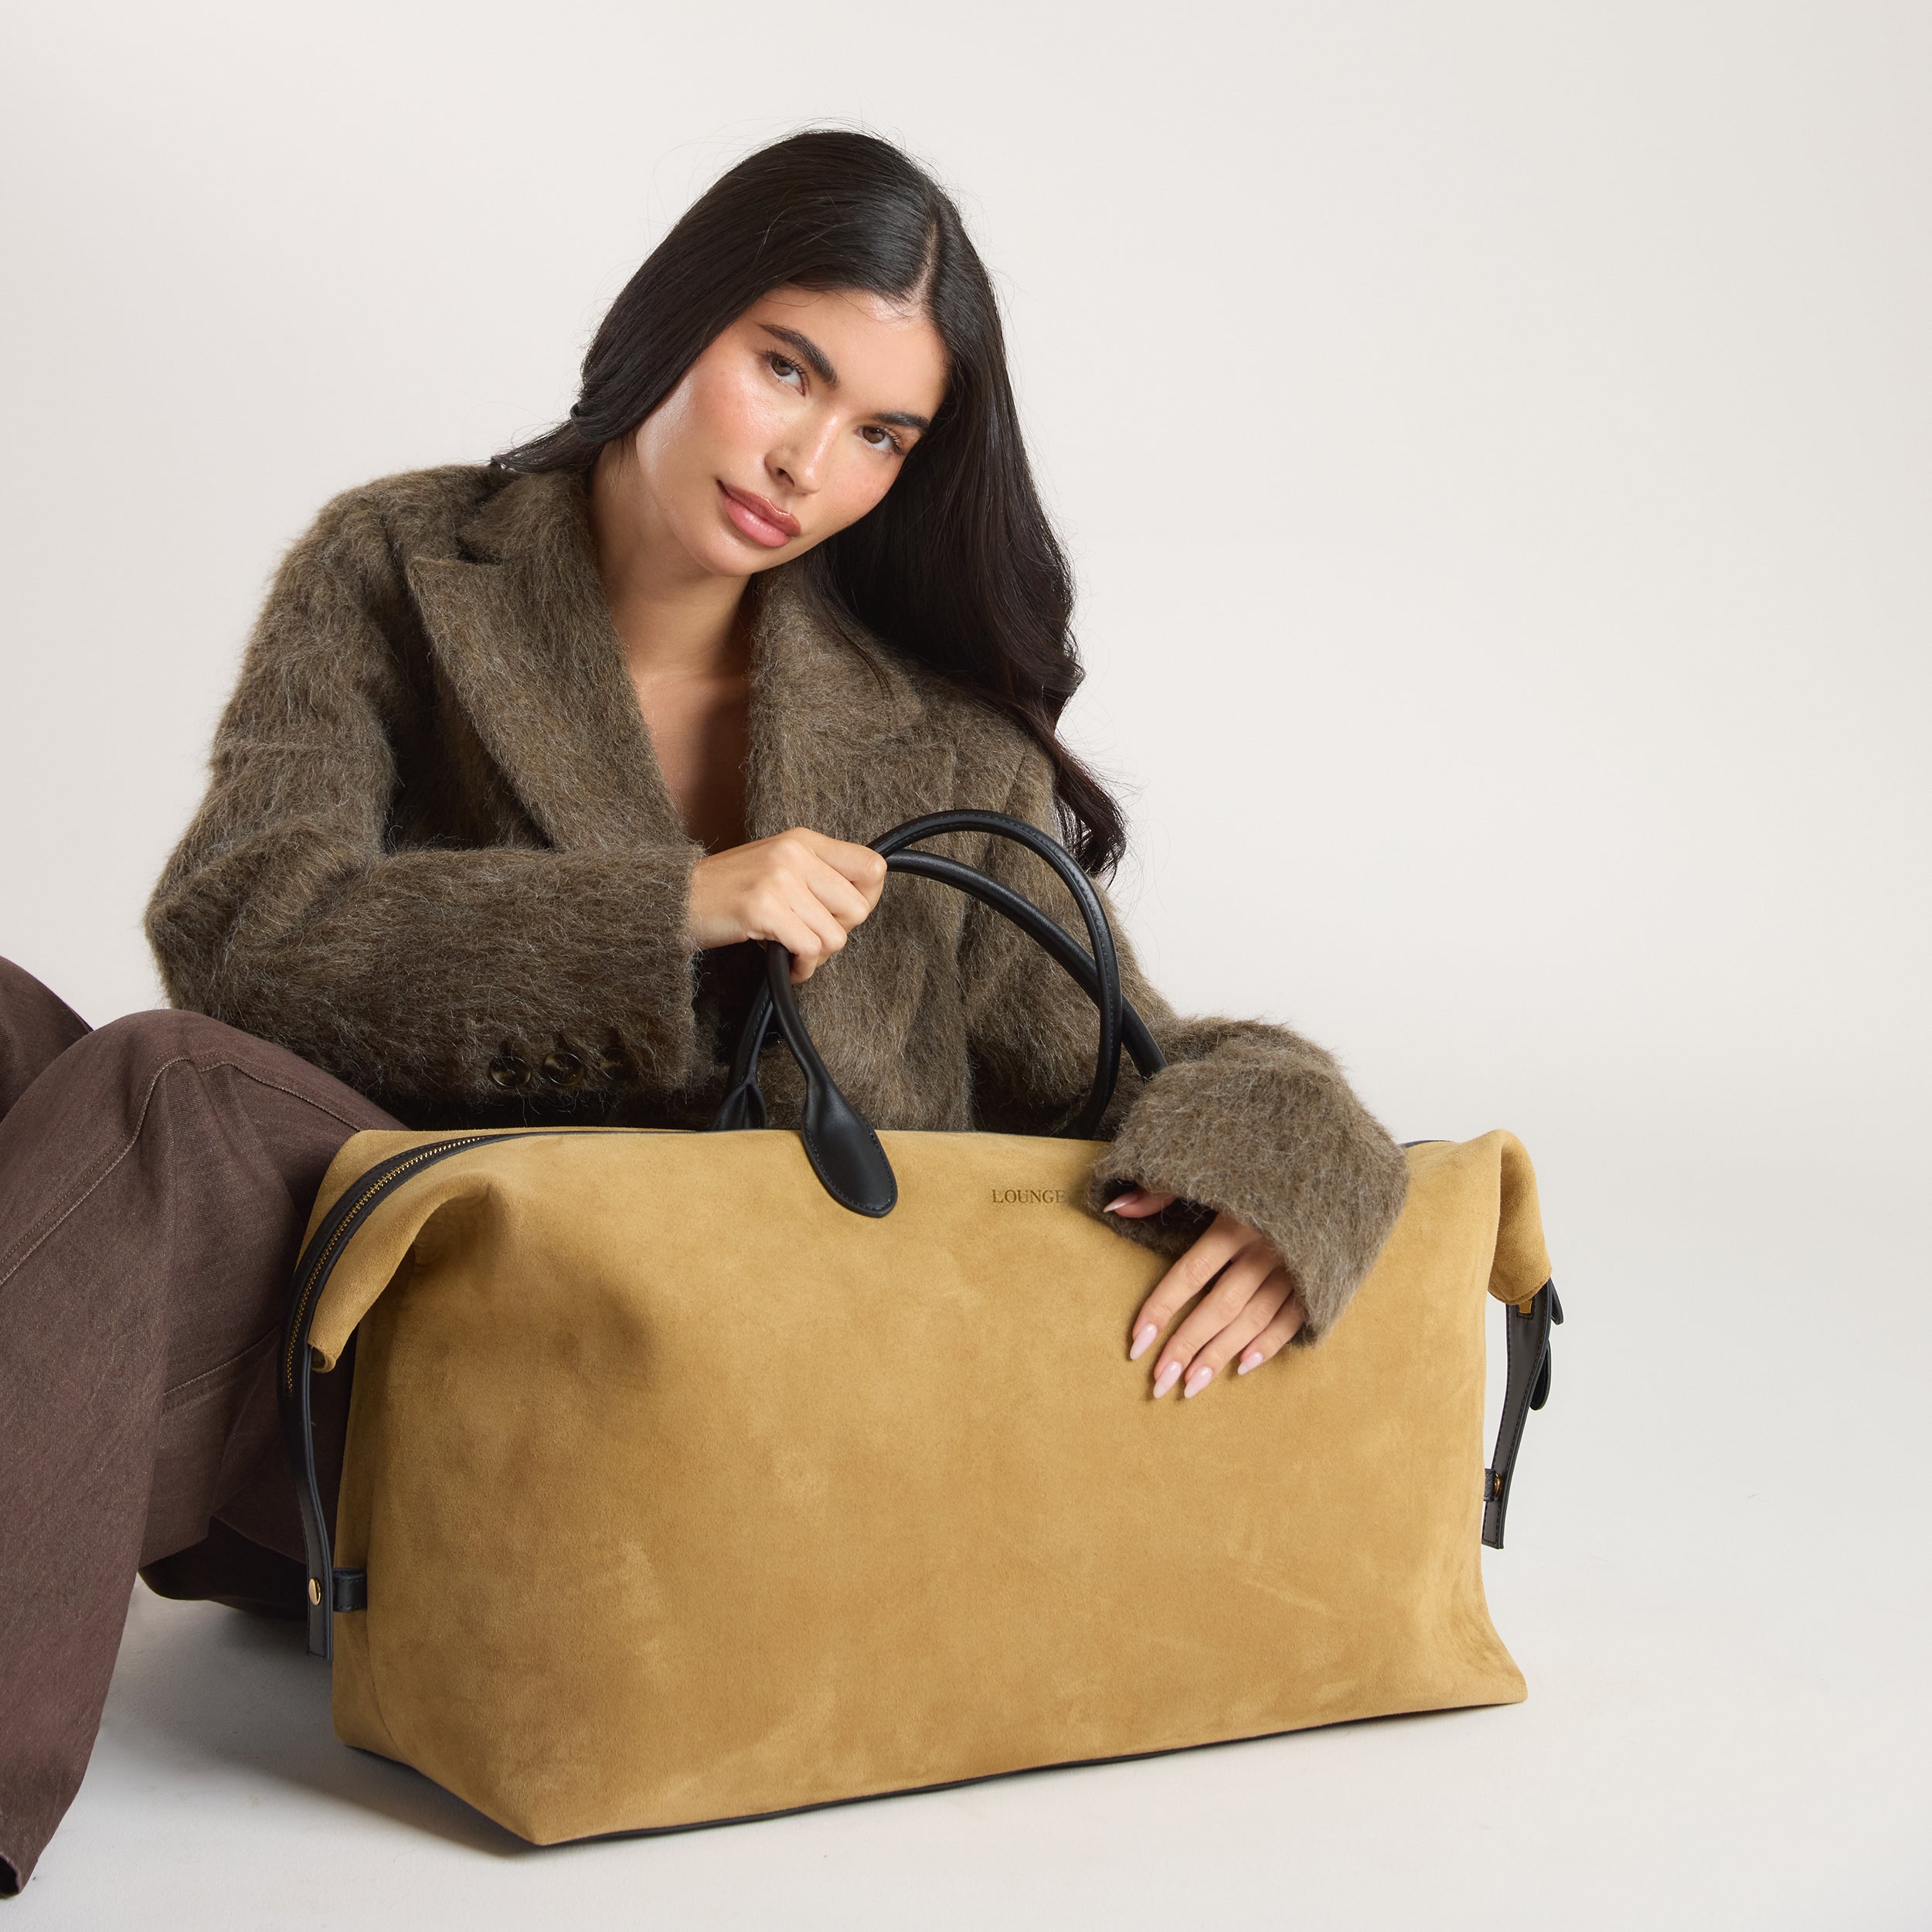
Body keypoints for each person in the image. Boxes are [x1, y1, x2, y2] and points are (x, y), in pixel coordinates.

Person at [0, 128, 1409, 1893]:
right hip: (310, 1374)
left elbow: (1167, 1058)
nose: (809, 462)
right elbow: (236, 929)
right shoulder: (402, 563)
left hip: (622, 1452)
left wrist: (1285, 1185)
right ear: (680, 318)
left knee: (160, 1096)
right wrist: (667, 906)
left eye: (883, 433)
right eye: (788, 368)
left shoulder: (932, 743)